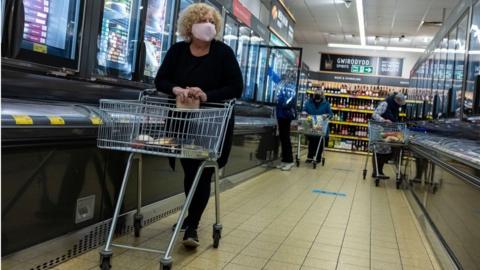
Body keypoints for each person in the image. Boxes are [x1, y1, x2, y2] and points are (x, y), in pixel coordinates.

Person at [154, 3, 243, 248]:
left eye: (212, 21)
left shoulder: (223, 53)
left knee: (202, 172)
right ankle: (191, 216)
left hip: (212, 123)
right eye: (203, 20)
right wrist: (177, 89)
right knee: (190, 171)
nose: (209, 25)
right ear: (190, 26)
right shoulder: (177, 52)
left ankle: (192, 225)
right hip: (181, 121)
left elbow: (236, 87)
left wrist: (206, 95)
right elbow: (160, 79)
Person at [371, 92, 406, 179]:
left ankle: (379, 172)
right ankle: (376, 172)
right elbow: (374, 114)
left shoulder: (394, 108)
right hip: (378, 130)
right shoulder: (385, 104)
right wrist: (384, 120)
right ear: (396, 100)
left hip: (387, 132)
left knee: (386, 152)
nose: (400, 106)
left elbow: (393, 119)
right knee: (378, 151)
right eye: (399, 104)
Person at [275, 70, 297, 171]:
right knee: (283, 138)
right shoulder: (284, 85)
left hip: (285, 115)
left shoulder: (291, 87)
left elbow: (289, 100)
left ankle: (289, 161)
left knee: (286, 138)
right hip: (281, 114)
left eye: (288, 75)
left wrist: (282, 103)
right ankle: (284, 160)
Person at [303, 89, 333, 163]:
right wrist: (304, 113)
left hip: (321, 126)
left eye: (319, 95)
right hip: (310, 125)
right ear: (313, 95)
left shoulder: (326, 104)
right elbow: (304, 110)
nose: (317, 97)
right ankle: (310, 157)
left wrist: (327, 115)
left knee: (318, 142)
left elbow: (331, 114)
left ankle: (317, 157)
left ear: (322, 96)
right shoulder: (308, 103)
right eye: (316, 95)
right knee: (311, 141)